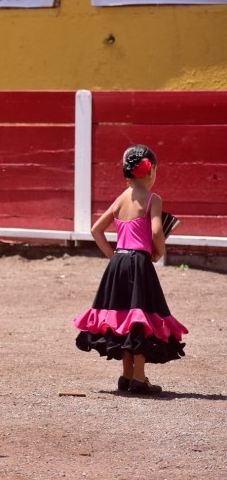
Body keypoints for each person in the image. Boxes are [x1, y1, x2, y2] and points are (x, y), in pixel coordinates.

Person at [73, 144, 187, 394]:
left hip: (119, 264)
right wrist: (160, 251)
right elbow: (156, 231)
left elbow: (96, 230)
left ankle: (126, 375)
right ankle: (139, 377)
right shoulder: (153, 199)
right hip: (139, 263)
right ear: (151, 170)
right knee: (140, 317)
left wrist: (113, 256)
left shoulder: (120, 199)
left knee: (124, 317)